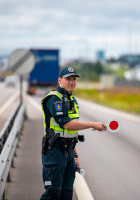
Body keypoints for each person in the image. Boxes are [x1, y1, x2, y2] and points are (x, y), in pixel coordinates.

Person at [40, 66, 107, 200]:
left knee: (66, 195)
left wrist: (75, 155)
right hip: (54, 152)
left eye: (74, 79)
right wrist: (93, 124)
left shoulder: (72, 100)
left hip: (68, 152)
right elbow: (67, 125)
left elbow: (71, 133)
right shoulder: (54, 99)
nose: (72, 82)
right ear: (60, 80)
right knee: (52, 194)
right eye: (68, 79)